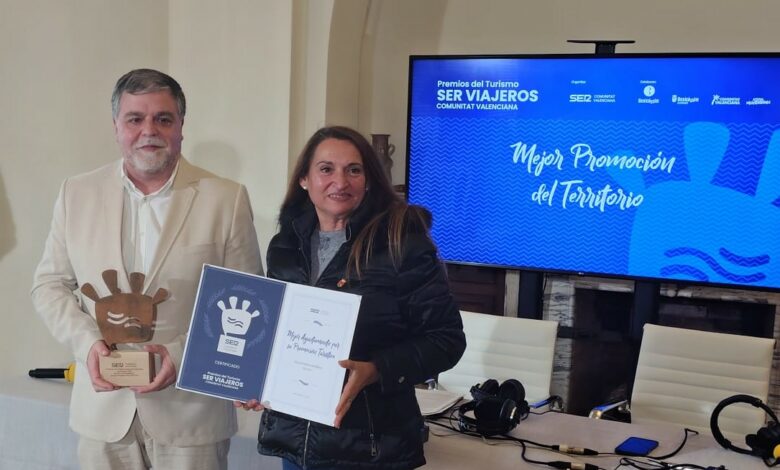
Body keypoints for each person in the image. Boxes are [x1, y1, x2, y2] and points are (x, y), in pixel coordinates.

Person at [31, 68, 262, 470]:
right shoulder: (76, 193)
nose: (149, 130)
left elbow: (247, 300)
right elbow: (49, 285)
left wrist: (180, 355)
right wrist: (88, 345)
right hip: (103, 413)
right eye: (135, 119)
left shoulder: (227, 199)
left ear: (181, 126)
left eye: (163, 119)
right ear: (116, 127)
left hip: (191, 412)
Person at [243, 126, 466, 469]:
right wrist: (256, 377)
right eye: (326, 169)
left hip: (371, 448)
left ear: (368, 180)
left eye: (353, 170)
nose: (340, 181)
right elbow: (275, 333)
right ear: (304, 179)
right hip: (295, 445)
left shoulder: (401, 243)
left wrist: (377, 369)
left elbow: (446, 340)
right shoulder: (285, 246)